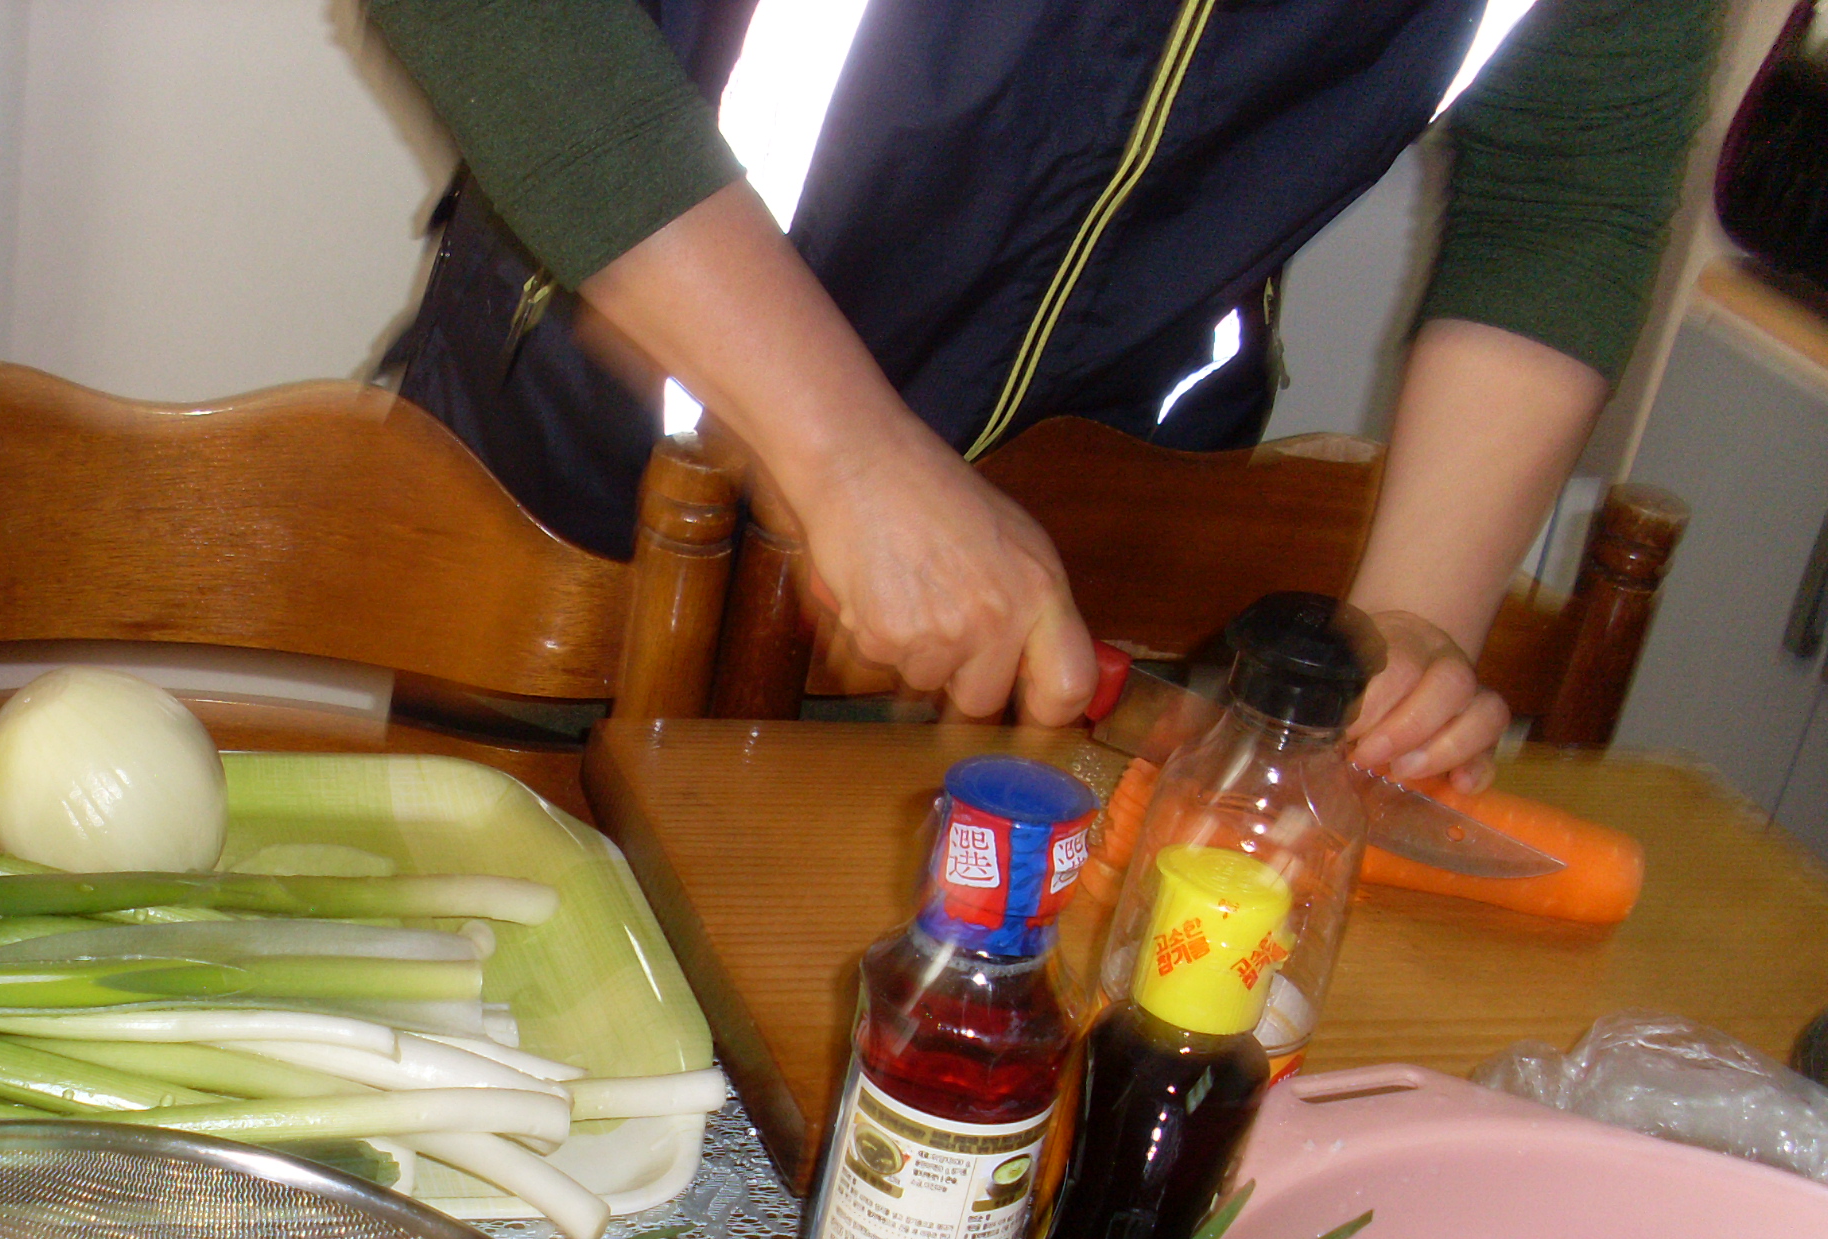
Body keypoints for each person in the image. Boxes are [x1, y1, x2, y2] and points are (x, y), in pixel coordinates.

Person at [364, 0, 1720, 788]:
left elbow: (1568, 185)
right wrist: (846, 452)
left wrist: (1413, 622)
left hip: (1094, 571)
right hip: (590, 488)